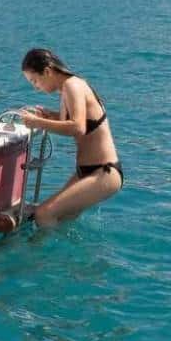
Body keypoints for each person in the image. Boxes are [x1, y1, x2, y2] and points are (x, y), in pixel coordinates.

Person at [17, 48, 122, 229]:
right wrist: (49, 116)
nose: (35, 87)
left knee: (44, 214)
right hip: (86, 172)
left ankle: (40, 249)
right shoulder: (68, 87)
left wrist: (38, 122)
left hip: (103, 172)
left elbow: (78, 127)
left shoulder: (72, 86)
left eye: (35, 81)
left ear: (47, 72)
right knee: (60, 219)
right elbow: (82, 121)